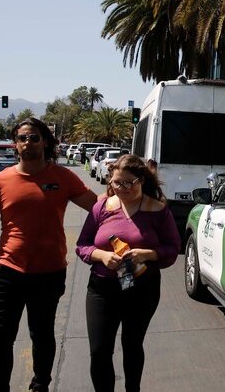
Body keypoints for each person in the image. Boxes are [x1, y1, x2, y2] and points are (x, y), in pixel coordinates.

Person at [0, 117, 97, 392]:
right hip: (8, 272)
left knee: (43, 336)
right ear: (15, 144)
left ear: (45, 141)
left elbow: (98, 209)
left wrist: (136, 200)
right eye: (22, 138)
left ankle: (40, 385)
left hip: (49, 274)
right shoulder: (1, 180)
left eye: (34, 137)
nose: (28, 143)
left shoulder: (63, 177)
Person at [76, 154, 180, 392]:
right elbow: (83, 245)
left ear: (142, 180)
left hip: (142, 289)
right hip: (102, 288)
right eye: (116, 183)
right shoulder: (101, 206)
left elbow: (173, 248)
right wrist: (101, 256)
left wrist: (147, 254)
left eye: (128, 183)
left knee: (132, 345)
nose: (121, 189)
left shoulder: (158, 210)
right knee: (99, 351)